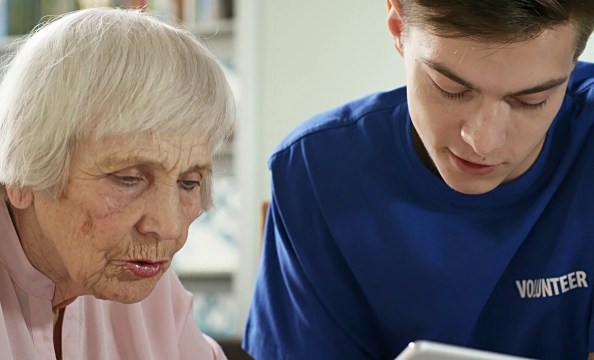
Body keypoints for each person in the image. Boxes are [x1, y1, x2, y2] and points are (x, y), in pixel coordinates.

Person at [243, 0, 594, 359]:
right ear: (398, 26)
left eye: (530, 100)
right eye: (450, 88)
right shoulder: (316, 171)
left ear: (574, 60)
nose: (483, 141)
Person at [0, 7, 234, 360]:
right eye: (128, 179)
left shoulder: (141, 278)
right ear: (25, 177)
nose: (169, 227)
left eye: (189, 183)